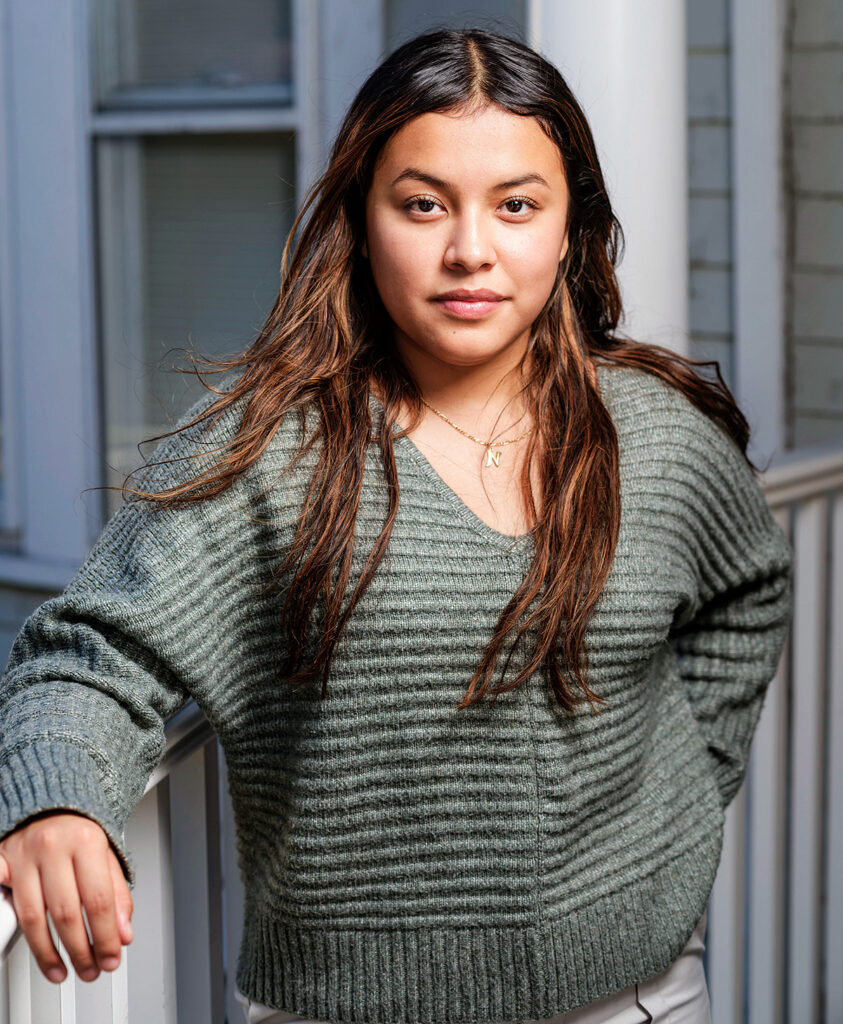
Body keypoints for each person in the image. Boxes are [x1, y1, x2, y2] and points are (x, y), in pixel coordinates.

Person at [0, 26, 793, 1024]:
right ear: (361, 220)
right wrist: (58, 796)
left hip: (643, 999)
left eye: (516, 205)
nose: (471, 249)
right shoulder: (270, 454)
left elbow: (748, 587)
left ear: (569, 229)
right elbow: (89, 650)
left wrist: (682, 794)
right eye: (423, 204)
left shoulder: (654, 439)